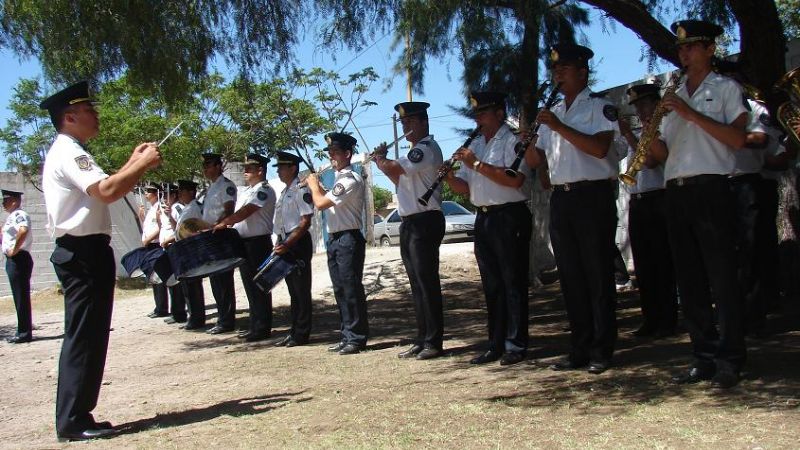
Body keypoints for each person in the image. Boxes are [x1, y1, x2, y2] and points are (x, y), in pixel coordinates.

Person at [40, 80, 161, 440]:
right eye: (90, 110)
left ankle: (79, 414)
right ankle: (72, 420)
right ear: (70, 116)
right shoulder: (68, 152)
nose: (96, 115)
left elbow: (103, 186)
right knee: (83, 337)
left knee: (92, 335)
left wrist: (132, 162)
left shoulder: (72, 151)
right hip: (82, 252)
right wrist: (142, 165)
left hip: (88, 251)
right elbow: (107, 192)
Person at [647, 20, 749, 389]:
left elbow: (738, 139)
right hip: (676, 189)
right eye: (680, 49)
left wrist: (690, 114)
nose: (684, 54)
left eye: (692, 47)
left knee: (721, 275)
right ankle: (702, 355)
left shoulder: (725, 89)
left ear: (709, 50)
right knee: (688, 279)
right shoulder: (671, 94)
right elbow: (660, 153)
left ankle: (731, 356)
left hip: (712, 187)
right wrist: (648, 133)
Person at [526, 44, 620, 374]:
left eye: (564, 68)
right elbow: (538, 162)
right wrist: (528, 138)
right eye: (554, 69)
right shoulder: (553, 112)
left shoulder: (599, 106)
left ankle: (601, 349)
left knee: (597, 274)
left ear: (582, 71)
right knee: (571, 278)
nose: (557, 74)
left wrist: (558, 126)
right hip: (562, 199)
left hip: (592, 196)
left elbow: (599, 148)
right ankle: (578, 348)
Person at [444, 91, 532, 366]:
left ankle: (515, 344)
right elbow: (466, 188)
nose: (478, 119)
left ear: (499, 113)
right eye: (476, 115)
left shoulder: (513, 140)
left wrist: (476, 164)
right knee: (491, 285)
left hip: (509, 215)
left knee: (512, 283)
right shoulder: (478, 144)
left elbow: (514, 180)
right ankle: (494, 343)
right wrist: (448, 176)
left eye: (483, 113)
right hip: (483, 218)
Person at [372, 101, 446, 360]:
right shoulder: (411, 154)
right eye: (403, 123)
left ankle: (434, 341)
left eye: (410, 122)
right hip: (410, 221)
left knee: (427, 283)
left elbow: (393, 168)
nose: (406, 128)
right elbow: (396, 178)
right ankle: (422, 337)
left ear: (424, 122)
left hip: (426, 220)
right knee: (416, 284)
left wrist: (381, 158)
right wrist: (383, 163)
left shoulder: (425, 149)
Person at [618, 83, 678, 338]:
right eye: (637, 106)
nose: (641, 110)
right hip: (638, 200)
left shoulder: (663, 128)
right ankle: (650, 318)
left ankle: (667, 319)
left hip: (660, 198)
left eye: (644, 104)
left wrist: (632, 135)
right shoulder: (640, 131)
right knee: (644, 265)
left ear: (655, 103)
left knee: (662, 262)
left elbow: (651, 161)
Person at [306, 132, 369, 355]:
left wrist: (313, 186)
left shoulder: (349, 179)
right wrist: (319, 186)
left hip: (348, 238)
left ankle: (357, 337)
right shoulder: (339, 180)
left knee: (351, 289)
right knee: (340, 290)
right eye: (330, 153)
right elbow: (329, 199)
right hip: (335, 238)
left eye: (335, 153)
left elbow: (321, 203)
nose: (331, 157)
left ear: (347, 154)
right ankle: (347, 334)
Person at [212, 153, 276, 342]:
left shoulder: (263, 190)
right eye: (245, 168)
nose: (245, 172)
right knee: (249, 286)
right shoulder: (247, 191)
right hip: (245, 242)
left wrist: (225, 222)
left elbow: (247, 211)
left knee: (259, 285)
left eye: (249, 169)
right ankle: (255, 325)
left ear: (260, 170)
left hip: (258, 243)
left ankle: (262, 327)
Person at [272, 151, 314, 347]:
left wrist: (288, 243)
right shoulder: (285, 191)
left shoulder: (301, 190)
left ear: (292, 168)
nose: (279, 171)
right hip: (286, 240)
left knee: (301, 290)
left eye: (281, 167)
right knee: (292, 291)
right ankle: (294, 330)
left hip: (297, 242)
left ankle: (302, 333)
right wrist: (280, 241)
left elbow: (305, 221)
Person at [201, 152, 238, 334]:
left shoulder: (226, 186)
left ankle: (227, 320)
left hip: (220, 235)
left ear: (218, 166)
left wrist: (217, 225)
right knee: (215, 280)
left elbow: (229, 210)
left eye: (208, 165)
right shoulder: (211, 188)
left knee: (223, 280)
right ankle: (222, 317)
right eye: (204, 166)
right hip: (209, 236)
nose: (205, 169)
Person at [174, 179, 207, 331]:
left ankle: (197, 318)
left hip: (191, 249)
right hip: (184, 248)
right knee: (187, 285)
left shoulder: (195, 208)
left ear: (191, 192)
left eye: (182, 191)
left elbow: (197, 228)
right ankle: (193, 316)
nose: (179, 194)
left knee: (192, 285)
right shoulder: (187, 208)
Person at [2, 189, 33, 344]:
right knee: (19, 296)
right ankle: (23, 329)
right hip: (14, 259)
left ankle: (24, 333)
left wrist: (14, 250)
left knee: (21, 296)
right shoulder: (11, 217)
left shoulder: (18, 215)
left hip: (18, 259)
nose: (2, 203)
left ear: (14, 201)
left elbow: (23, 230)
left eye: (5, 200)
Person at [158, 183, 187, 324]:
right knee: (171, 281)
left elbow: (181, 228)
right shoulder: (168, 210)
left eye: (166, 195)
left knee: (177, 283)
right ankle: (176, 312)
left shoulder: (177, 208)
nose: (164, 198)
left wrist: (168, 240)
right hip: (167, 246)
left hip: (174, 245)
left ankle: (180, 313)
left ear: (174, 195)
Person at [139, 182, 169, 318]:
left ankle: (162, 307)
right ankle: (158, 306)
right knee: (153, 277)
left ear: (156, 193)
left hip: (156, 244)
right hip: (150, 245)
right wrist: (142, 217)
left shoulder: (160, 207)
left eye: (149, 191)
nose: (146, 194)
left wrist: (148, 240)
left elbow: (160, 227)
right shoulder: (151, 209)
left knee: (159, 277)